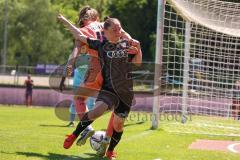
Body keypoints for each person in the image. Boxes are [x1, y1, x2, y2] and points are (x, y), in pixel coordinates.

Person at [57, 14, 142, 159]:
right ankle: (74, 135)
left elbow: (137, 63)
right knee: (96, 112)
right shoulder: (101, 45)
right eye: (114, 29)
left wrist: (138, 48)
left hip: (125, 93)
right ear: (106, 32)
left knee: (118, 125)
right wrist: (65, 21)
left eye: (119, 28)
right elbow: (79, 34)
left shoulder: (127, 44)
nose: (118, 31)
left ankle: (110, 151)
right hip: (108, 90)